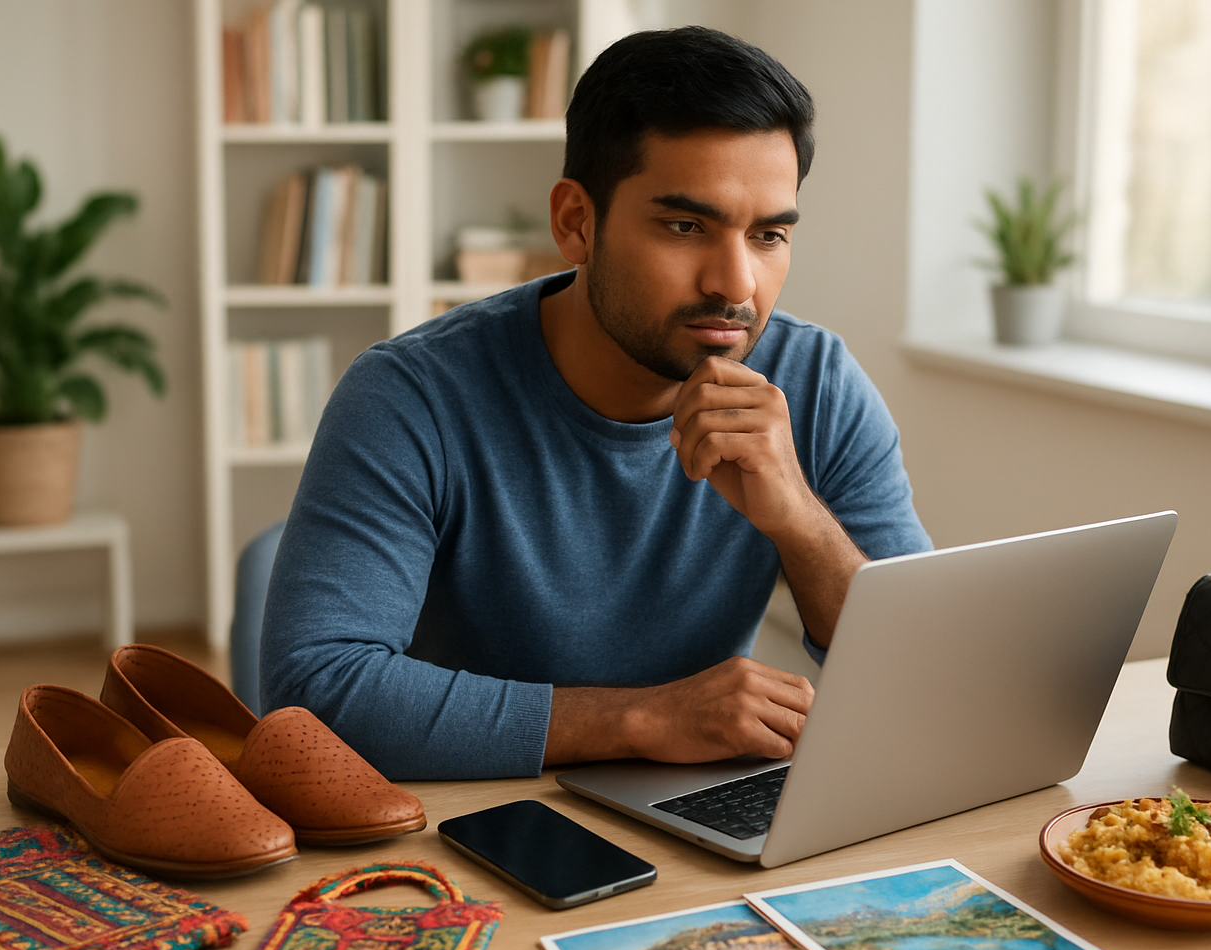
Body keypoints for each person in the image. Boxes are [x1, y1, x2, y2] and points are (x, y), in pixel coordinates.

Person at [260, 26, 932, 780]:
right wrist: (642, 719)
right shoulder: (411, 396)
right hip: (476, 813)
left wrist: (799, 519)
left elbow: (929, 669)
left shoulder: (818, 385)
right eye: (686, 226)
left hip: (687, 810)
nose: (736, 284)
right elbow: (313, 691)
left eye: (768, 235)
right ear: (576, 222)